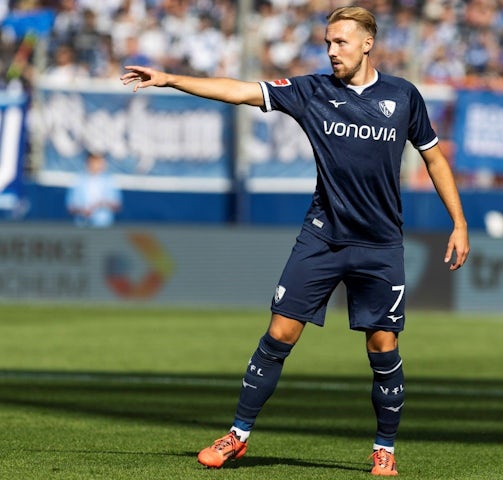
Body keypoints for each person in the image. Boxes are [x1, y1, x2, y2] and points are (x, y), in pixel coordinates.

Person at [121, 6, 469, 476]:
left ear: (368, 43)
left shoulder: (403, 96)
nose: (331, 51)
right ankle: (237, 436)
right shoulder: (313, 91)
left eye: (340, 42)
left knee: (382, 346)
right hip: (322, 237)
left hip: (380, 245)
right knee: (279, 334)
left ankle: (384, 447)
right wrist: (170, 79)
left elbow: (434, 159)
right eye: (327, 42)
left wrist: (459, 223)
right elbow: (240, 91)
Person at [66, 152, 122, 227]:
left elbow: (117, 206)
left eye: (99, 162)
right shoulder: (78, 180)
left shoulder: (110, 181)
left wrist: (102, 203)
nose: (96, 164)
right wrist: (83, 210)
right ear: (88, 162)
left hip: (103, 226)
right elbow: (70, 207)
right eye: (94, 161)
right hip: (82, 225)